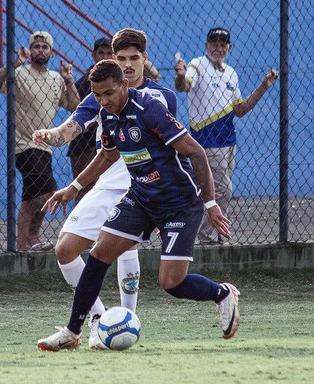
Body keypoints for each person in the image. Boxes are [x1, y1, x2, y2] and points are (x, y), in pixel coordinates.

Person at [36, 60, 240, 352]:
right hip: (141, 198)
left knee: (171, 282)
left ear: (125, 85)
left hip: (179, 204)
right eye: (97, 95)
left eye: (109, 93)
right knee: (98, 255)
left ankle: (222, 293)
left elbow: (196, 152)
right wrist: (74, 187)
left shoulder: (150, 109)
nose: (104, 101)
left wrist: (211, 204)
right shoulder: (107, 115)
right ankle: (72, 331)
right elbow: (108, 155)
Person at [33, 28, 176, 349]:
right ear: (113, 60)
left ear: (145, 59)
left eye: (134, 58)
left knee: (126, 246)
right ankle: (99, 319)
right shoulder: (98, 94)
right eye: (121, 58)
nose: (128, 64)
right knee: (65, 249)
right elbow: (69, 129)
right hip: (106, 180)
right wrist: (49, 135)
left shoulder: (161, 97)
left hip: (141, 184)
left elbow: (170, 151)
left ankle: (128, 319)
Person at [174, 27, 278, 245]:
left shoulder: (231, 72)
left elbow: (239, 109)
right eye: (214, 44)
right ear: (207, 46)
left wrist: (263, 87)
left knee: (213, 190)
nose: (218, 48)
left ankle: (210, 234)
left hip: (229, 142)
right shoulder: (197, 65)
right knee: (222, 190)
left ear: (229, 47)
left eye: (223, 44)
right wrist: (181, 76)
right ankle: (206, 237)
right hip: (207, 142)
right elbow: (184, 86)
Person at [0, 31, 80, 251]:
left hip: (44, 146)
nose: (40, 50)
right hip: (22, 144)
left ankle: (25, 243)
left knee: (32, 196)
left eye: (45, 47)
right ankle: (30, 239)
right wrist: (14, 63)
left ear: (51, 52)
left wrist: (69, 80)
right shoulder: (19, 73)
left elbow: (74, 107)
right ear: (30, 50)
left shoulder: (57, 79)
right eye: (36, 46)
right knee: (47, 193)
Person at [69, 37, 161, 202]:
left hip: (121, 148)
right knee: (85, 194)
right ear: (94, 55)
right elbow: (76, 112)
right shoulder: (87, 81)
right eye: (100, 53)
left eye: (108, 53)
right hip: (86, 144)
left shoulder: (147, 94)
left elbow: (155, 76)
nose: (104, 57)